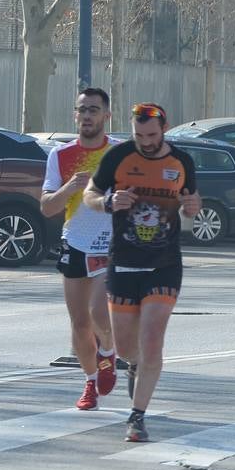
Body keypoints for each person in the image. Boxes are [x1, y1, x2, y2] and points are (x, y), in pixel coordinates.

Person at [83, 103, 200, 443]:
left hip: (164, 263)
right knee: (125, 348)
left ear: (165, 128)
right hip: (123, 261)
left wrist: (194, 206)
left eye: (151, 135)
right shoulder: (119, 157)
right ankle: (132, 365)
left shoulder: (181, 161)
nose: (145, 141)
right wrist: (107, 202)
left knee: (152, 342)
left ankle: (137, 417)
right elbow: (90, 193)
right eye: (138, 135)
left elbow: (192, 200)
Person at [42, 88, 117, 411]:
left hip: (112, 245)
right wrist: (69, 186)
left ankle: (108, 353)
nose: (87, 116)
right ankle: (90, 382)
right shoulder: (60, 155)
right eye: (82, 110)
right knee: (79, 323)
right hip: (75, 243)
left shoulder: (119, 153)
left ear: (106, 116)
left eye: (94, 110)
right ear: (75, 115)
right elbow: (46, 207)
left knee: (100, 312)